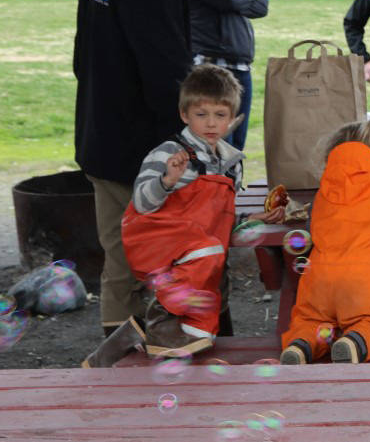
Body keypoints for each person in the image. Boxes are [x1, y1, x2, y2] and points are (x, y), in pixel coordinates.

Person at [74, 0, 214, 336]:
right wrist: (193, 145)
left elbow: (80, 62)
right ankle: (172, 352)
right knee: (170, 255)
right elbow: (166, 76)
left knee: (120, 258)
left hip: (100, 139)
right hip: (141, 153)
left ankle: (119, 369)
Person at [82, 66, 283, 366]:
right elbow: (141, 202)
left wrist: (251, 218)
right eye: (202, 114)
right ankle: (163, 324)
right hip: (161, 241)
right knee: (195, 290)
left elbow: (221, 216)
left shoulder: (230, 162)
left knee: (207, 288)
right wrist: (166, 182)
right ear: (184, 114)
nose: (211, 123)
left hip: (201, 250)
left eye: (220, 115)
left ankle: (123, 344)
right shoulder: (169, 154)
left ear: (232, 118)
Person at [281, 121, 370, 364]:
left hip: (319, 280)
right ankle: (355, 342)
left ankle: (301, 345)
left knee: (312, 322)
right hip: (363, 282)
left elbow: (312, 230)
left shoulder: (322, 195)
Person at [178, 0, 269, 150]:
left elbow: (262, 4)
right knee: (216, 144)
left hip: (241, 66)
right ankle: (214, 190)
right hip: (211, 65)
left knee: (236, 145)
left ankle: (232, 190)